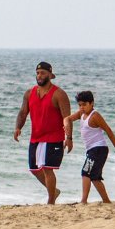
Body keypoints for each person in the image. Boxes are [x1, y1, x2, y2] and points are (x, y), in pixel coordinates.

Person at [14, 61, 72, 204]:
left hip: (53, 138)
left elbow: (67, 118)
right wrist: (18, 127)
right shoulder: (29, 93)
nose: (39, 76)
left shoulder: (59, 94)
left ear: (50, 75)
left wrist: (69, 137)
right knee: (34, 168)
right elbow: (23, 112)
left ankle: (51, 200)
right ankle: (54, 191)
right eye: (38, 73)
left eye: (43, 73)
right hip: (36, 138)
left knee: (47, 169)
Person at [63, 90, 115, 203]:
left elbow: (108, 130)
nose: (82, 107)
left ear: (91, 103)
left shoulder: (95, 116)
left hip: (99, 149)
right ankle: (107, 201)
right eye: (79, 105)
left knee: (85, 172)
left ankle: (83, 201)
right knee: (95, 177)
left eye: (84, 104)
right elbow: (67, 119)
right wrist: (68, 135)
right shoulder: (81, 113)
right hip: (92, 150)